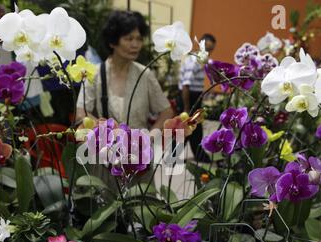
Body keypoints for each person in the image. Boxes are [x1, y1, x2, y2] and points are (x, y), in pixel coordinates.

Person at [76, 10, 174, 131]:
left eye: (139, 39)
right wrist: (106, 131)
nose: (135, 44)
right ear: (112, 42)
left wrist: (151, 136)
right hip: (106, 147)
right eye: (129, 38)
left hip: (140, 147)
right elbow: (81, 114)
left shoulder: (145, 74)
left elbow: (167, 111)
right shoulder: (94, 74)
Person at [178, 33, 216, 163]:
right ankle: (173, 156)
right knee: (188, 129)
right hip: (189, 98)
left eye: (211, 49)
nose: (208, 52)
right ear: (200, 45)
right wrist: (186, 107)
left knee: (192, 129)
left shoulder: (198, 60)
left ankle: (199, 155)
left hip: (195, 96)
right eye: (206, 48)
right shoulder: (193, 61)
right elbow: (185, 85)